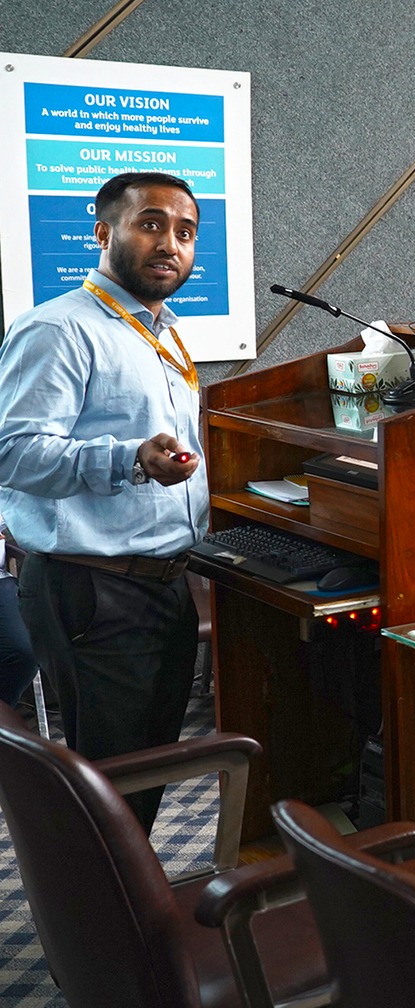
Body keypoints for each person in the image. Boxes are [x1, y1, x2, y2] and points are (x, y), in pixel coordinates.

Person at [0, 172, 207, 830]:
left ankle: (126, 916)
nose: (169, 242)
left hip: (163, 582)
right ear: (102, 233)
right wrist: (128, 458)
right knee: (110, 787)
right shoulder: (58, 329)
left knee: (145, 775)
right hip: (94, 587)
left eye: (184, 231)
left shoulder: (162, 331)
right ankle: (101, 926)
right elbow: (14, 452)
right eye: (149, 223)